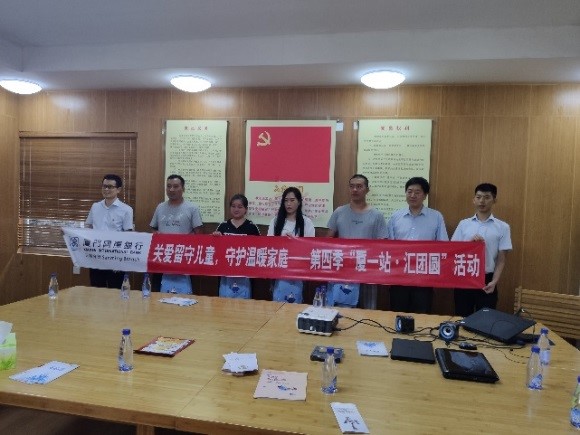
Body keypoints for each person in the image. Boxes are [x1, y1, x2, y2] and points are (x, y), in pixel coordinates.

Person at [326, 174, 388, 309]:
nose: (355, 190)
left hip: (367, 269)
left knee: (367, 309)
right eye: (352, 186)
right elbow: (328, 240)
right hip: (343, 268)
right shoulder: (339, 212)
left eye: (359, 186)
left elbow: (382, 244)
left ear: (367, 190)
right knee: (341, 310)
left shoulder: (377, 215)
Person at [388, 176, 448, 314]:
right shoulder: (396, 217)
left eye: (417, 192)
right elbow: (389, 247)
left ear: (425, 195)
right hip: (399, 275)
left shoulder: (436, 217)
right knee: (398, 313)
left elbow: (443, 246)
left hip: (424, 276)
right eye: (409, 191)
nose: (412, 195)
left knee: (422, 314)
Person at [452, 183, 512, 317]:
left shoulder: (503, 227)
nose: (482, 201)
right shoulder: (464, 224)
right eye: (478, 197)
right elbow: (454, 252)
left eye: (486, 197)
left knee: (485, 321)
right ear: (473, 200)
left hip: (487, 280)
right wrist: (470, 244)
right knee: (462, 318)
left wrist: (494, 282)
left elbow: (502, 259)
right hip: (464, 277)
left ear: (494, 200)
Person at [150, 174, 203, 294]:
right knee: (158, 292)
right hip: (162, 256)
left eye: (175, 186)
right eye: (169, 186)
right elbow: (153, 228)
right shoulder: (160, 207)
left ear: (183, 189)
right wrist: (156, 234)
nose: (171, 189)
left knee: (183, 293)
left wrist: (186, 243)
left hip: (183, 256)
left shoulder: (192, 208)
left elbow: (199, 233)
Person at [267, 187, 315, 303]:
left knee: (294, 301)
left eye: (292, 200)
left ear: (299, 202)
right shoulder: (275, 221)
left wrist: (295, 242)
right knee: (278, 301)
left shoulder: (307, 222)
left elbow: (311, 247)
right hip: (279, 268)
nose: (288, 204)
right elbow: (269, 245)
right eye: (286, 200)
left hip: (297, 269)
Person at [85, 174, 134, 288]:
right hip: (96, 257)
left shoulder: (126, 210)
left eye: (110, 187)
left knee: (115, 291)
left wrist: (121, 260)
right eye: (104, 186)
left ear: (118, 189)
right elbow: (88, 227)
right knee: (96, 290)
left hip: (115, 258)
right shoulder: (95, 206)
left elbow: (128, 236)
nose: (106, 189)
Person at [213, 194, 261, 299]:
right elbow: (214, 249)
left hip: (245, 272)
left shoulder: (252, 227)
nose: (236, 209)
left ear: (246, 209)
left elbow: (259, 249)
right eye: (233, 206)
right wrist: (215, 237)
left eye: (240, 207)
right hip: (226, 270)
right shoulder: (223, 226)